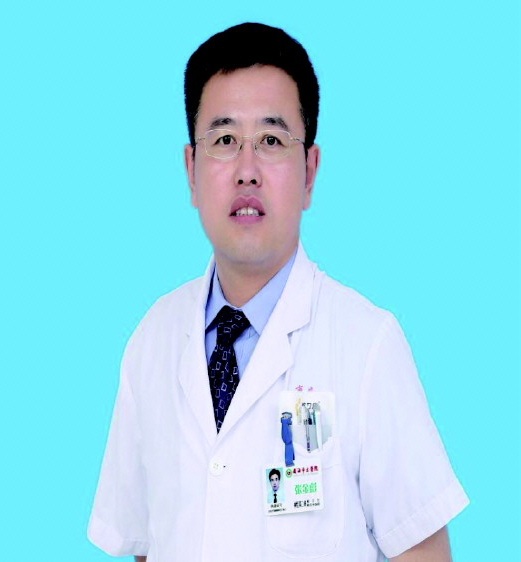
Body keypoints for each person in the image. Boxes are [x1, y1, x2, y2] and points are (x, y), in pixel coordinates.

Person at [87, 22, 468, 562]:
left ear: (309, 172)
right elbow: (144, 545)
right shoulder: (152, 339)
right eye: (224, 141)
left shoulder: (368, 344)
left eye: (271, 140)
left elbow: (422, 549)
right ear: (191, 171)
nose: (247, 172)